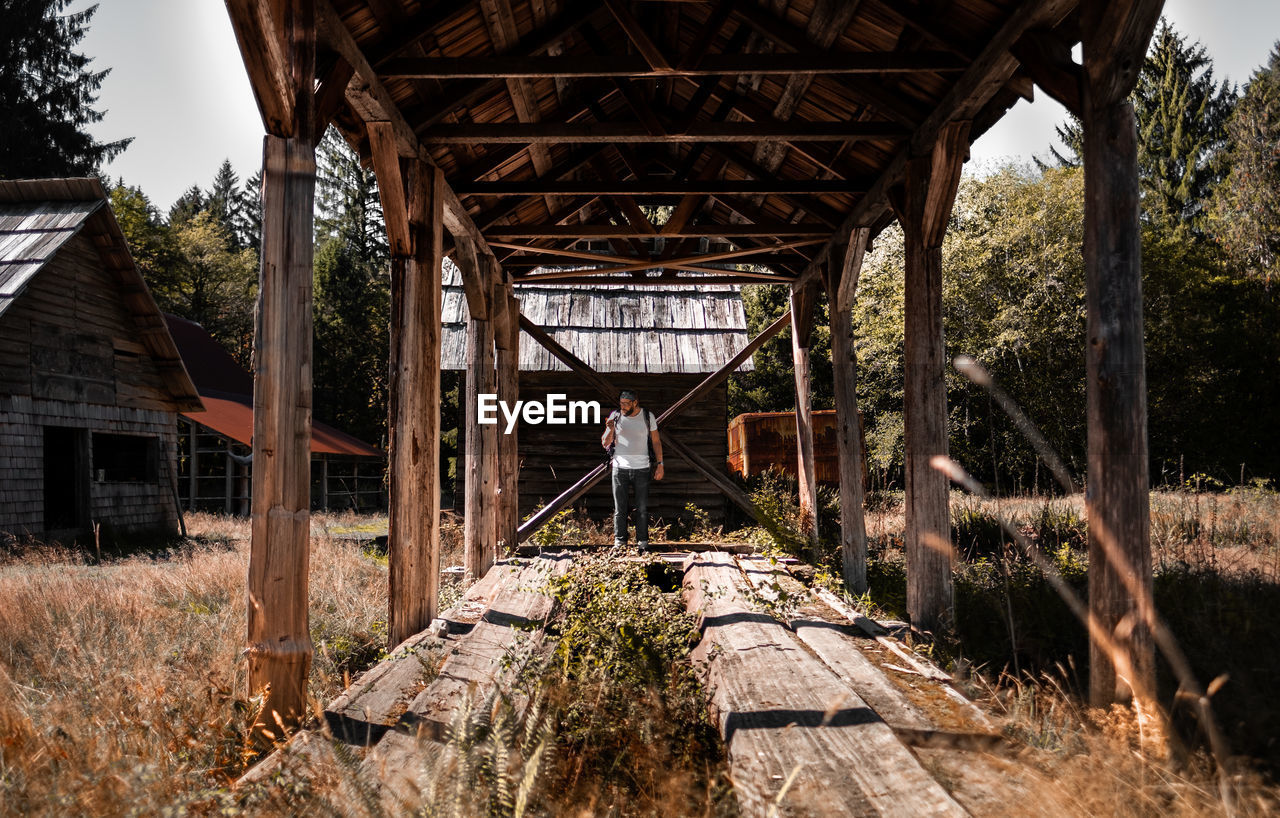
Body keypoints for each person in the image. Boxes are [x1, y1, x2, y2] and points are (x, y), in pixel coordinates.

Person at [601, 389, 664, 549]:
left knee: (641, 508)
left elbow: (656, 441)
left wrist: (660, 465)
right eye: (621, 403)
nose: (622, 406)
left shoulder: (647, 416)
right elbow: (605, 443)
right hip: (619, 468)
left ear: (635, 402)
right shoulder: (616, 416)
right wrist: (610, 428)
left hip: (642, 467)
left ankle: (642, 542)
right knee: (620, 508)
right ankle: (620, 541)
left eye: (626, 404)